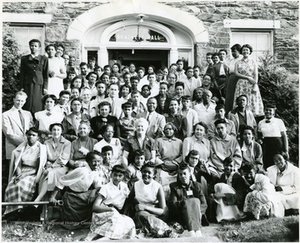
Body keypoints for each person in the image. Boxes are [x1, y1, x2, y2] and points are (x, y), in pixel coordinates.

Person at [4, 128, 47, 219]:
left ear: (38, 138)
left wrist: (25, 175)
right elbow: (18, 163)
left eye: (33, 135)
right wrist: (19, 174)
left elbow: (39, 167)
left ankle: (19, 210)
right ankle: (11, 211)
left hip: (33, 172)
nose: (31, 137)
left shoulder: (41, 149)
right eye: (29, 135)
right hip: (22, 170)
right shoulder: (22, 147)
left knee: (21, 185)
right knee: (12, 184)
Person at [85, 165, 136, 241]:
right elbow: (95, 207)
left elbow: (129, 199)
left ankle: (127, 239)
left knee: (129, 221)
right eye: (115, 175)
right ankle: (104, 239)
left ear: (123, 176)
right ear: (111, 174)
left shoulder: (124, 186)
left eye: (120, 176)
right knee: (116, 219)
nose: (117, 178)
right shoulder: (106, 188)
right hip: (102, 213)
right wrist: (110, 209)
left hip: (115, 213)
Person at [129, 163, 172, 237]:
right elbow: (129, 201)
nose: (146, 174)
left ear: (154, 175)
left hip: (155, 215)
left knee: (141, 214)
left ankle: (164, 230)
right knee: (139, 214)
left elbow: (163, 211)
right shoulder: (136, 185)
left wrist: (145, 207)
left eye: (149, 173)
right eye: (144, 171)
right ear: (141, 172)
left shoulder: (157, 187)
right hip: (140, 215)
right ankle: (156, 231)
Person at [169, 162, 207, 237]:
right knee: (191, 201)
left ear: (190, 173)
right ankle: (194, 230)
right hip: (182, 216)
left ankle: (195, 230)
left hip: (197, 215)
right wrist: (186, 204)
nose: (183, 176)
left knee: (196, 201)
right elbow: (172, 205)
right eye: (180, 174)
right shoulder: (174, 187)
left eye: (184, 173)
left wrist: (198, 211)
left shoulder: (197, 186)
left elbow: (204, 204)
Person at [35, 123, 71, 202]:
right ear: (51, 131)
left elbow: (64, 159)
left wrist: (51, 167)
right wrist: (45, 167)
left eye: (58, 130)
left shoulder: (67, 143)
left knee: (50, 173)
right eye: (54, 130)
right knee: (43, 176)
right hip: (48, 166)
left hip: (61, 167)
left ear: (61, 131)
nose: (56, 132)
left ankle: (38, 200)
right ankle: (42, 204)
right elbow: (44, 157)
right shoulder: (46, 142)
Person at [212, 157, 250, 222]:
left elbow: (240, 197)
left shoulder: (238, 178)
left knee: (222, 187)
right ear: (223, 166)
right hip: (227, 201)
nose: (228, 168)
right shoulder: (223, 176)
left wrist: (224, 195)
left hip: (237, 204)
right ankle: (223, 215)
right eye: (226, 165)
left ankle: (231, 215)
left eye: (231, 166)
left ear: (234, 166)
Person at [233, 44, 264, 118]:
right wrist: (247, 77)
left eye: (247, 50)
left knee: (251, 100)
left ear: (250, 51)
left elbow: (256, 74)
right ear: (241, 51)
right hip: (241, 84)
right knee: (241, 100)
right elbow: (236, 73)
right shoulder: (238, 62)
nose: (245, 51)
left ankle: (251, 117)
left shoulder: (253, 62)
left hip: (251, 84)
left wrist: (255, 85)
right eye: (243, 50)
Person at [3, 91, 34, 161]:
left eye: (22, 101)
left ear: (25, 101)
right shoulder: (6, 115)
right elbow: (9, 134)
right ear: (14, 100)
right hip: (14, 148)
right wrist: (26, 144)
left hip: (28, 150)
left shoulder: (28, 114)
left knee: (26, 170)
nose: (20, 103)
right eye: (18, 100)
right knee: (13, 170)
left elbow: (32, 129)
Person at [20, 39, 48, 113]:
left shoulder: (44, 59)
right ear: (29, 47)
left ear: (39, 48)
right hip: (27, 84)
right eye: (32, 46)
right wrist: (21, 87)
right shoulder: (24, 59)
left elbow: (45, 74)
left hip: (39, 84)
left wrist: (45, 87)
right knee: (27, 103)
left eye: (35, 46)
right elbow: (22, 73)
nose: (33, 47)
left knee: (37, 103)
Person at [155, 123, 183, 197]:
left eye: (170, 129)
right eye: (166, 129)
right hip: (163, 166)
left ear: (174, 130)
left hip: (176, 166)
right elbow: (156, 154)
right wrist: (162, 164)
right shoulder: (159, 141)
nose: (168, 131)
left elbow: (182, 154)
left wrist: (175, 163)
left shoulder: (179, 142)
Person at [258, 104, 289, 169]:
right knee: (267, 164)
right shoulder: (261, 122)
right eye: (266, 110)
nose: (268, 112)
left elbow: (284, 136)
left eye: (270, 110)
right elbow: (260, 135)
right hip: (266, 146)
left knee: (279, 164)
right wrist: (260, 139)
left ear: (274, 112)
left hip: (277, 145)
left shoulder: (279, 121)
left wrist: (286, 150)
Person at [225, 44, 242, 113]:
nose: (232, 53)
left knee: (236, 95)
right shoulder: (231, 60)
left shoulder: (241, 59)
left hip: (238, 78)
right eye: (232, 51)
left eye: (234, 51)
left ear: (238, 51)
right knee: (229, 96)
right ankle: (229, 112)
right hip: (231, 78)